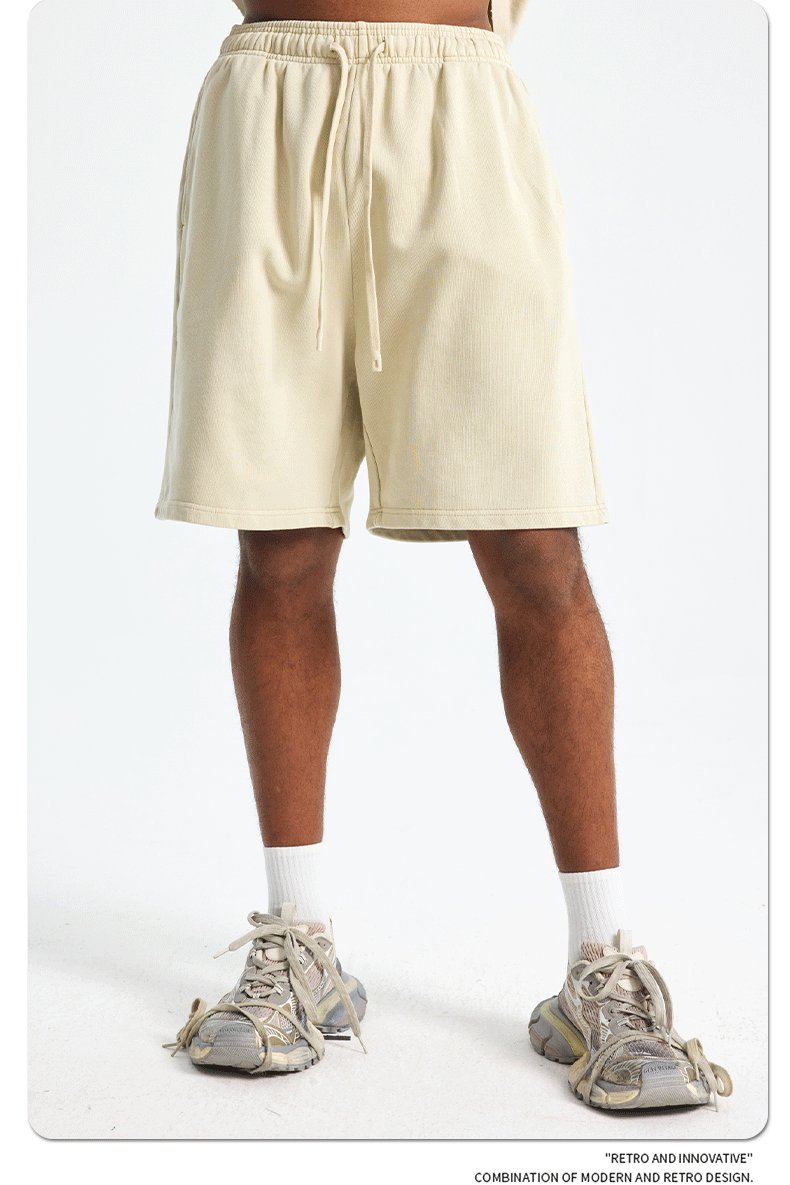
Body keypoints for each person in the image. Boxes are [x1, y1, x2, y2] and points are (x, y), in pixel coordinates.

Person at [156, 0, 732, 1110]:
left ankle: (601, 965)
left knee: (537, 549)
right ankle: (299, 943)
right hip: (268, 103)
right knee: (280, 543)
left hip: (457, 104)